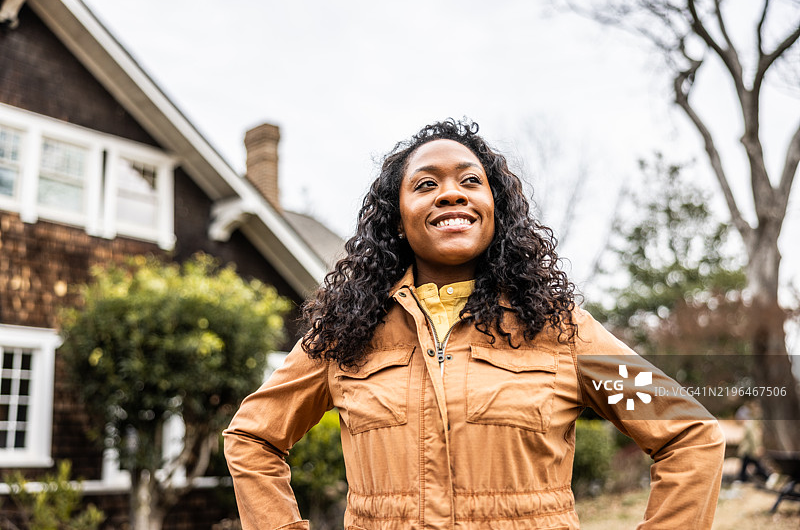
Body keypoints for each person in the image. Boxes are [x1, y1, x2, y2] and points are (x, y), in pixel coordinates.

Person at [224, 119, 725, 530]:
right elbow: (252, 438)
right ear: (397, 217)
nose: (451, 194)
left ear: (495, 210)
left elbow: (689, 436)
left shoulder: (562, 330)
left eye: (470, 181)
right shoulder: (344, 334)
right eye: (426, 184)